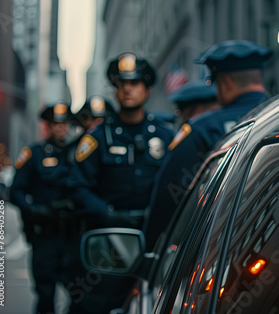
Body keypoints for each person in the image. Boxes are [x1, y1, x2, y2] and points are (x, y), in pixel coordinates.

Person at [68, 52, 174, 313]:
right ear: (115, 91)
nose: (127, 89)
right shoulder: (97, 139)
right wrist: (110, 215)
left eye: (135, 83)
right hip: (108, 247)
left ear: (147, 90)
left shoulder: (166, 136)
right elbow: (77, 188)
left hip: (155, 245)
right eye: (121, 84)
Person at [144, 40, 272, 249]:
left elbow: (169, 196)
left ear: (226, 82)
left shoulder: (203, 128)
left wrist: (148, 249)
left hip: (221, 249)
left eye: (214, 82)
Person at [10, 102, 78, 314]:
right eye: (56, 124)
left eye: (64, 124)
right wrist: (35, 211)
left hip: (70, 235)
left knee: (79, 294)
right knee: (45, 294)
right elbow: (16, 191)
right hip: (45, 235)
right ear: (48, 126)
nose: (61, 128)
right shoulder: (34, 153)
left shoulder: (76, 153)